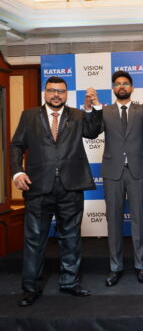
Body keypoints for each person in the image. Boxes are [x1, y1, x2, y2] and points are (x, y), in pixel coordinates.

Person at [10, 76, 102, 307]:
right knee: (34, 240)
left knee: (70, 238)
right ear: (45, 92)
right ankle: (30, 288)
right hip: (38, 186)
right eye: (52, 90)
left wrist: (94, 107)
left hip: (71, 185)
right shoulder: (29, 115)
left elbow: (92, 132)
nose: (56, 95)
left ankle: (70, 283)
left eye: (61, 91)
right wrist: (17, 172)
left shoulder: (78, 115)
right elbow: (16, 145)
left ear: (66, 94)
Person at [84, 70, 143, 287]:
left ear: (132, 88)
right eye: (118, 83)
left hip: (137, 170)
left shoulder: (142, 109)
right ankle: (115, 267)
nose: (121, 86)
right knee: (113, 221)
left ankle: (141, 266)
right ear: (113, 88)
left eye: (125, 83)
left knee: (139, 220)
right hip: (112, 172)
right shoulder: (104, 111)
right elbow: (91, 131)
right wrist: (90, 107)